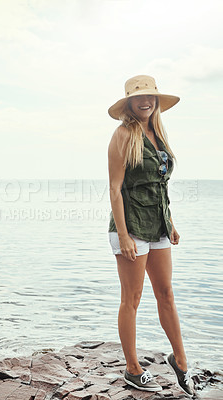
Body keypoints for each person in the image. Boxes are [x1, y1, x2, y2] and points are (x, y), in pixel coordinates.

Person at [107, 75, 193, 396]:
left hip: (157, 225)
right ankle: (132, 369)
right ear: (129, 102)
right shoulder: (122, 135)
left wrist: (169, 221)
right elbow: (115, 189)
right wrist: (125, 236)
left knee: (166, 294)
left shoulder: (158, 134)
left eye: (151, 96)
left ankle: (181, 361)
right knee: (132, 299)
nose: (146, 101)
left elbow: (161, 185)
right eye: (139, 97)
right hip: (130, 227)